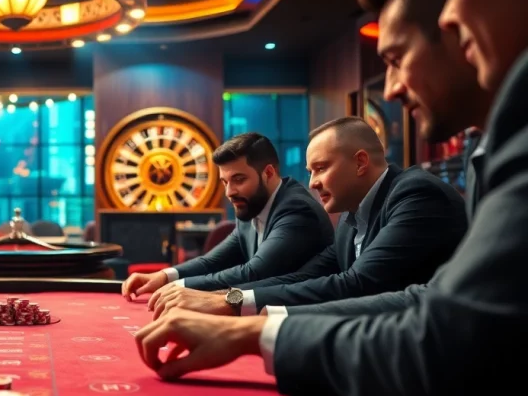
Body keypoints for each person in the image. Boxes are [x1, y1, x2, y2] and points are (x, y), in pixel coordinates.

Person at [134, 0, 528, 396]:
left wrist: (245, 323)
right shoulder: (473, 157)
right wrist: (228, 308)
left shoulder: (415, 195)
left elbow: (442, 338)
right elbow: (411, 295)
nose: (450, 16)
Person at [268, 0, 493, 318]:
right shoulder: (353, 218)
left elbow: (367, 290)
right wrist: (232, 305)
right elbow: (444, 302)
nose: (389, 89)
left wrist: (255, 325)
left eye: (395, 59)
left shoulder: (416, 193)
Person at [149, 116, 467, 318]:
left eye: (321, 168)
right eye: (310, 171)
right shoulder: (351, 215)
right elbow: (305, 277)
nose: (312, 182)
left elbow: (358, 285)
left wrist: (230, 302)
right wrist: (224, 296)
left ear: (359, 163)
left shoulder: (417, 195)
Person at [121, 133, 333, 300]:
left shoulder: (296, 208)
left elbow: (254, 273)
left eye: (239, 179)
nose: (229, 192)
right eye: (225, 182)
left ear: (268, 173)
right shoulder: (252, 204)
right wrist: (164, 276)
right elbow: (212, 262)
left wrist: (178, 287)